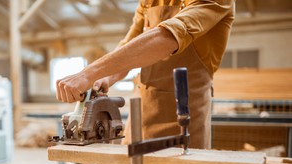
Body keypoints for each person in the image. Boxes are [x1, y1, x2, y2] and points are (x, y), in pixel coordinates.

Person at [56, 0, 236, 148]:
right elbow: (130, 44)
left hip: (184, 116)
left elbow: (168, 38)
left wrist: (89, 72)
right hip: (142, 112)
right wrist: (104, 77)